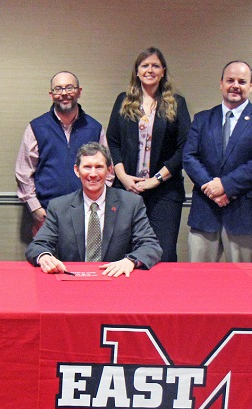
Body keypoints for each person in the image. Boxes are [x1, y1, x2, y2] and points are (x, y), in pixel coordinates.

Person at [183, 61, 252, 263]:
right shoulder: (202, 119)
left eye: (242, 81)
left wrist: (225, 186)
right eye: (230, 80)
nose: (235, 85)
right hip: (205, 212)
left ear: (251, 86)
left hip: (246, 215)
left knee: (244, 284)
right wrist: (212, 189)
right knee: (199, 282)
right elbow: (189, 157)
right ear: (221, 83)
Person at [26, 142, 162, 277]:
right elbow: (37, 245)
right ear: (76, 170)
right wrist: (44, 257)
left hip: (116, 280)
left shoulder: (131, 203)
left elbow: (150, 245)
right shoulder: (59, 207)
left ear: (109, 170)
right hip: (72, 281)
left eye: (99, 167)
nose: (93, 174)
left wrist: (130, 261)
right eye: (87, 167)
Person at [107, 47, 191, 263]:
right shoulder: (123, 101)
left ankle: (163, 296)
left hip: (165, 192)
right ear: (137, 71)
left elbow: (184, 147)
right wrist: (123, 177)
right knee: (122, 249)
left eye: (155, 65)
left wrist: (156, 180)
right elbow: (113, 141)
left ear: (163, 71)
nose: (150, 70)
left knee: (163, 252)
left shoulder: (177, 104)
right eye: (145, 65)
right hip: (126, 189)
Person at [16, 71, 108, 236]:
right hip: (47, 214)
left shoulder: (95, 128)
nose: (64, 93)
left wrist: (98, 206)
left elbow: (107, 172)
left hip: (87, 214)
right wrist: (35, 207)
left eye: (69, 88)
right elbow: (24, 172)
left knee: (83, 262)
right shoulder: (36, 127)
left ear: (79, 91)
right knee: (47, 261)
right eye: (58, 89)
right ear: (51, 95)